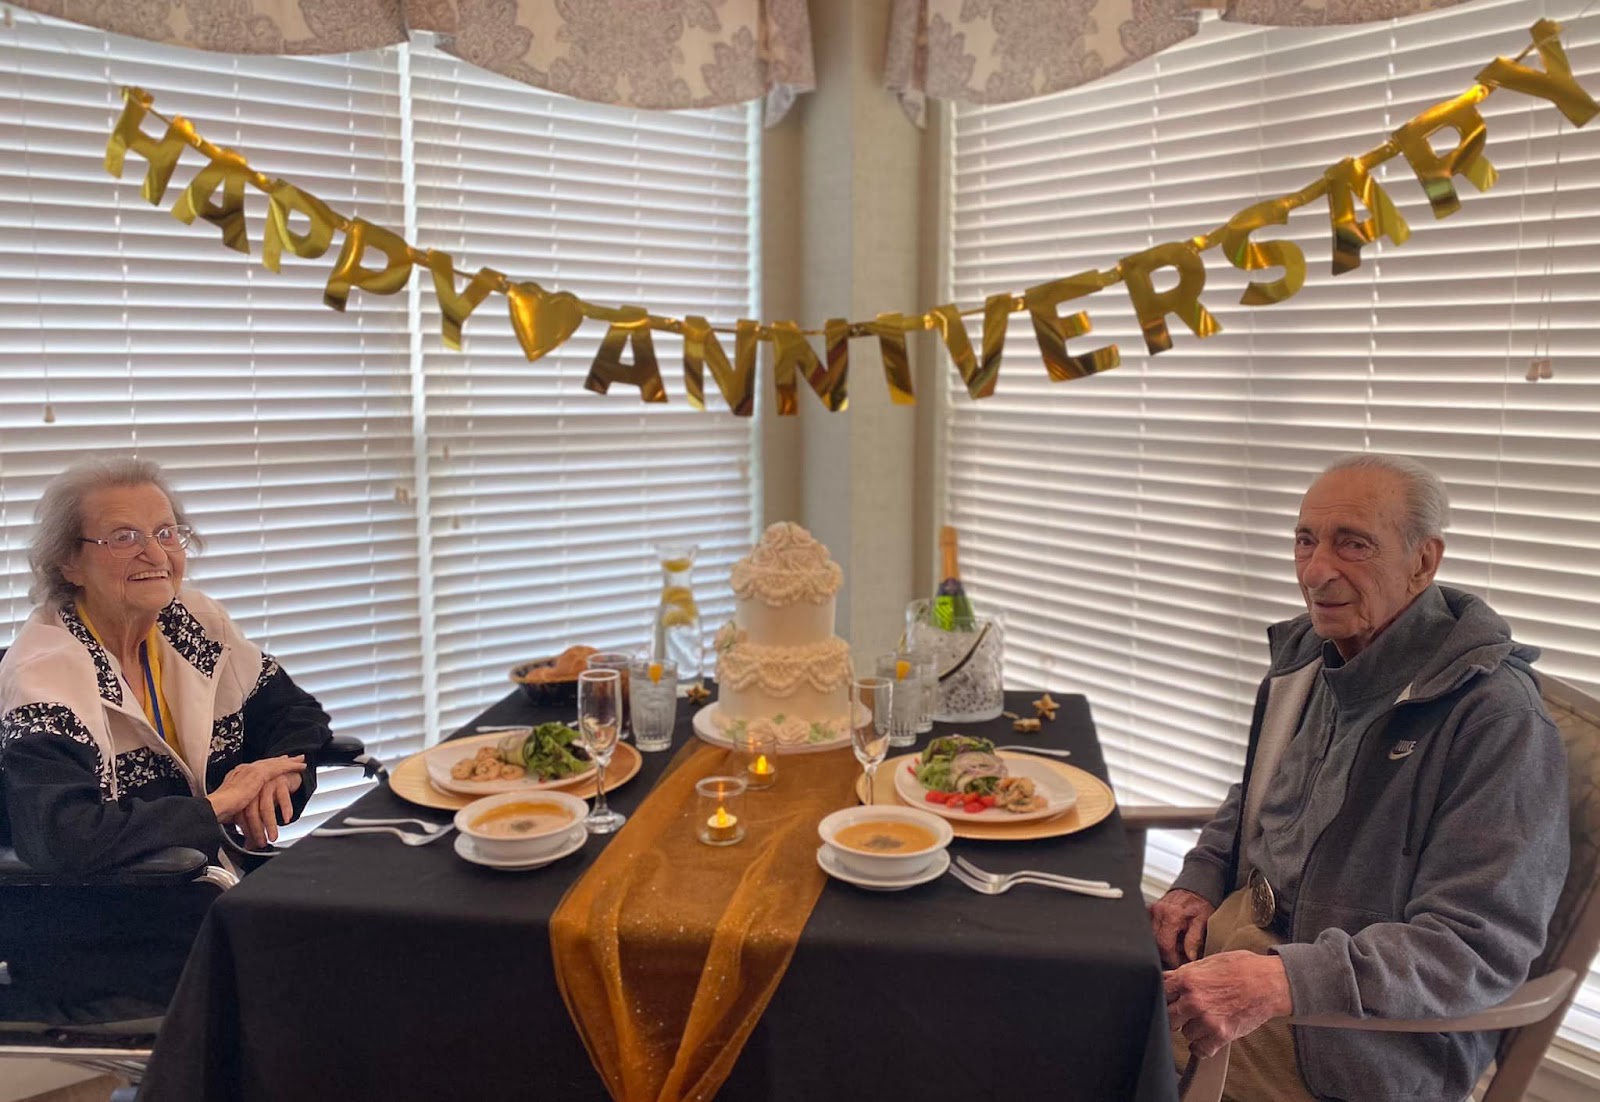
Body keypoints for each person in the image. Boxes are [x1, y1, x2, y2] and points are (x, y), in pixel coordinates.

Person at [1154, 453, 1568, 1102]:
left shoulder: (1497, 718)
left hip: (1350, 1038)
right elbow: (1255, 799)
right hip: (1233, 958)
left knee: (1099, 1055)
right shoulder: (1307, 660)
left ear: (1423, 562)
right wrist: (1200, 880)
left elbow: (1473, 950)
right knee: (1062, 1006)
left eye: (1354, 544)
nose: (1318, 571)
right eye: (1305, 540)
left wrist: (1278, 982)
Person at [0, 456, 330, 871]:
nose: (155, 553)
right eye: (124, 537)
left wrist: (283, 774)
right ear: (69, 563)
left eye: (166, 533)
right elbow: (63, 835)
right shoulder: (44, 675)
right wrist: (217, 806)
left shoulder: (194, 624)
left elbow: (294, 713)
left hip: (226, 870)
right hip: (127, 911)